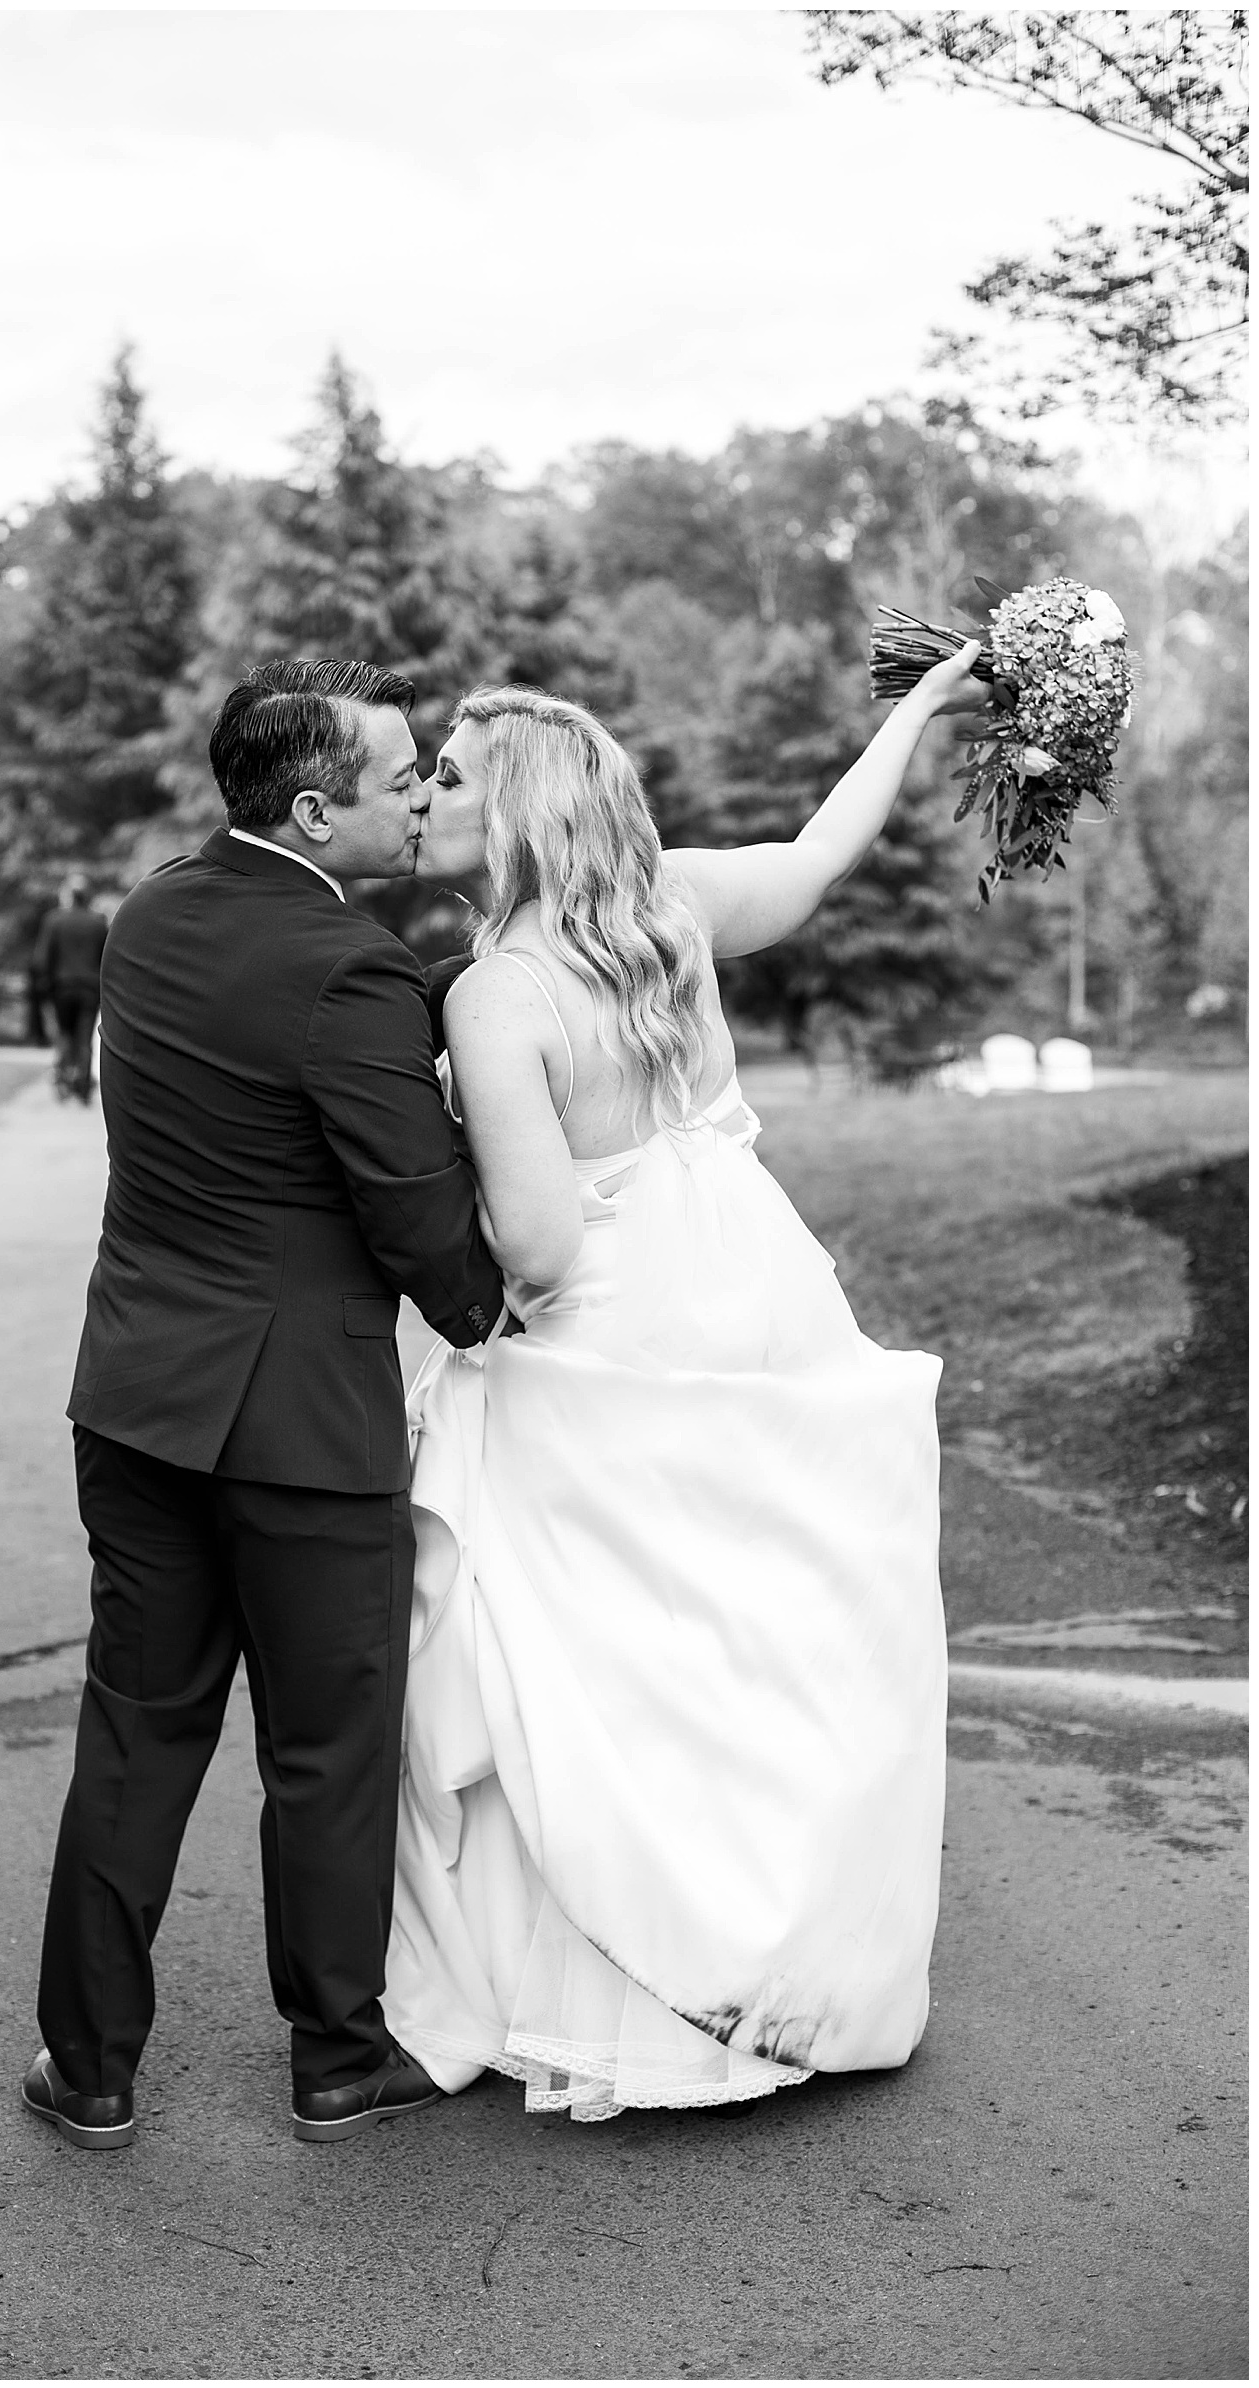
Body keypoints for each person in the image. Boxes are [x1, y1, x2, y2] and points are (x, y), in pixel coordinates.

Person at [381, 644, 986, 2123]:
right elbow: (822, 852)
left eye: (447, 776)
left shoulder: (497, 990)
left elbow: (528, 1238)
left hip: (613, 1314)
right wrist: (921, 710)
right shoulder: (675, 909)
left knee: (592, 1640)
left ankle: (622, 1979)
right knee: (756, 1632)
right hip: (756, 1283)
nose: (423, 797)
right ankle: (785, 1969)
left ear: (511, 811)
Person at [25, 659, 506, 2152]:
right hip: (299, 1425)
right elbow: (414, 1207)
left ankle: (89, 2064)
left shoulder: (150, 913)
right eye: (401, 776)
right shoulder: (352, 969)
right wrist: (497, 1319)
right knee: (327, 1745)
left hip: (138, 1399)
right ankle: (336, 2059)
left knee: (136, 1733)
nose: (423, 794)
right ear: (315, 808)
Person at [33, 874, 109, 1103]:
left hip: (62, 987)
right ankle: (83, 1083)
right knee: (85, 1036)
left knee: (65, 1032)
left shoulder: (54, 920)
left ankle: (64, 1076)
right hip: (89, 988)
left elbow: (41, 958)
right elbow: (105, 957)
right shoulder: (98, 922)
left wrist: (43, 985)